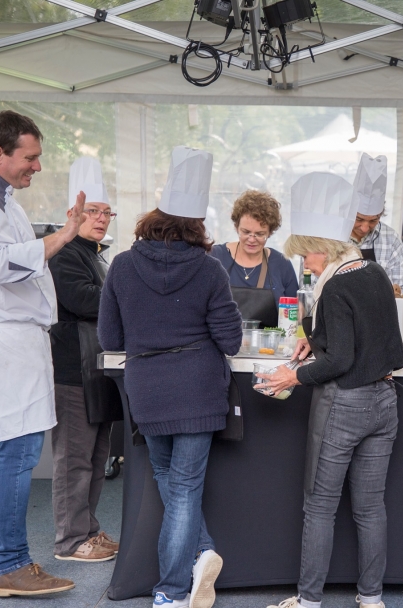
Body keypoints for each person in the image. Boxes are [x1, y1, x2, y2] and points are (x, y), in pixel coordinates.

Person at [0, 110, 86, 597]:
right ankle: (10, 564)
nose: (38, 167)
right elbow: (0, 264)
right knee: (21, 447)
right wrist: (62, 237)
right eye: (30, 158)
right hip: (1, 338)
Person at [98, 146, 242, 608]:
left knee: (167, 476)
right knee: (184, 485)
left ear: (154, 217)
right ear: (196, 225)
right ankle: (172, 589)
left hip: (147, 386)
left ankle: (200, 554)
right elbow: (231, 341)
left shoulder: (121, 265)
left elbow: (109, 336)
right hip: (197, 386)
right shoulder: (210, 269)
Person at [259, 172, 403, 608]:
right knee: (370, 508)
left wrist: (293, 376)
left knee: (320, 507)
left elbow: (341, 360)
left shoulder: (336, 285)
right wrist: (316, 339)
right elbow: (369, 338)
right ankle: (372, 598)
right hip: (385, 403)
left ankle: (308, 601)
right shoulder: (374, 272)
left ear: (322, 247)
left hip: (344, 404)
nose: (304, 263)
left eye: (306, 255)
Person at [49, 157, 121, 563]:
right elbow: (79, 299)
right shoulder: (65, 252)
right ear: (73, 214)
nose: (101, 219)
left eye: (106, 212)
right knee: (74, 459)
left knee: (97, 457)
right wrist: (122, 298)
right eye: (92, 211)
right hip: (73, 368)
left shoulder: (98, 256)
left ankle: (88, 530)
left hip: (98, 368)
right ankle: (69, 541)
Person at [211, 189, 298, 327]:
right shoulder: (215, 257)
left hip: (268, 347)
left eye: (259, 234)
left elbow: (296, 313)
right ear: (236, 227)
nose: (252, 239)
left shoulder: (281, 264)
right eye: (245, 232)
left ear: (270, 232)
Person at [350, 153, 403, 303]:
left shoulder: (391, 239)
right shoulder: (331, 236)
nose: (365, 228)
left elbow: (402, 288)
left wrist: (397, 295)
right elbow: (311, 287)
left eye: (373, 220)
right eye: (359, 219)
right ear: (348, 210)